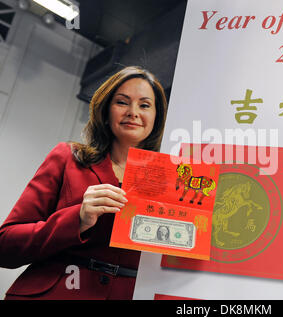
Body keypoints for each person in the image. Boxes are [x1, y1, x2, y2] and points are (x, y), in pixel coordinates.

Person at [0, 66, 168, 299]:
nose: (133, 112)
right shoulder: (67, 157)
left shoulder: (172, 183)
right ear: (106, 110)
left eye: (145, 105)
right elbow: (5, 246)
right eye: (122, 102)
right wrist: (77, 219)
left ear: (157, 117)